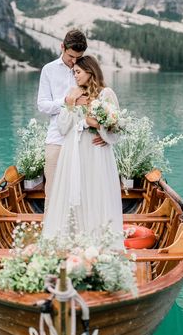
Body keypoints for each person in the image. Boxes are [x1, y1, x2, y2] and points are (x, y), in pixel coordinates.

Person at [41, 55, 124, 249]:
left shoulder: (106, 94)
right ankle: (74, 241)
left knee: (95, 191)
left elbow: (117, 128)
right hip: (74, 152)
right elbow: (63, 127)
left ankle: (99, 242)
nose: (75, 76)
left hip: (96, 153)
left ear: (90, 72)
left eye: (78, 72)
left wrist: (102, 132)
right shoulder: (73, 94)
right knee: (74, 192)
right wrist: (70, 104)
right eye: (73, 72)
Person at [38, 29, 100, 207]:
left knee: (82, 191)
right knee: (52, 190)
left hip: (84, 140)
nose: (74, 62)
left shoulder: (86, 70)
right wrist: (66, 102)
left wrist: (104, 133)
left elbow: (98, 101)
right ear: (62, 47)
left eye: (78, 57)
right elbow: (42, 105)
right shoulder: (48, 70)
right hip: (56, 138)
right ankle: (51, 231)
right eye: (71, 56)